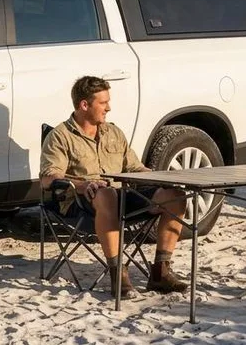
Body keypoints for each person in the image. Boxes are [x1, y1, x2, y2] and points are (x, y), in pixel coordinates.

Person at [40, 76, 190, 296]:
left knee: (175, 195)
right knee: (106, 194)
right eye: (103, 103)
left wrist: (162, 178)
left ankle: (160, 272)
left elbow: (135, 169)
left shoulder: (113, 132)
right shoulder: (60, 136)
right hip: (80, 203)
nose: (108, 108)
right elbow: (48, 179)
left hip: (121, 196)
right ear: (84, 105)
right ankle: (118, 273)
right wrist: (84, 184)